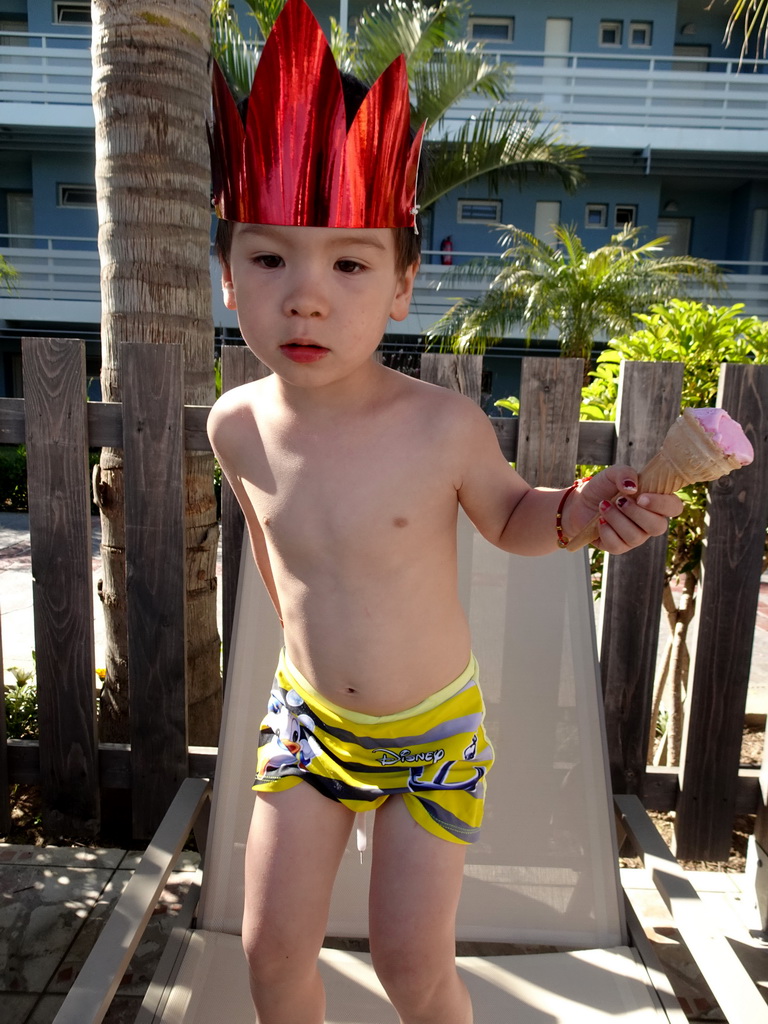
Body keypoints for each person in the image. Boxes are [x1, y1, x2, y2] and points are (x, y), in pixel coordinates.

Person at [207, 3, 682, 1023]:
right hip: (308, 729)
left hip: (432, 738)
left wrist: (581, 510)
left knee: (409, 964)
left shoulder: (442, 428)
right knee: (269, 949)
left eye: (348, 262)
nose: (305, 297)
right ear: (226, 270)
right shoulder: (234, 425)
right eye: (269, 257)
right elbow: (279, 564)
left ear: (403, 285)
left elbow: (514, 517)